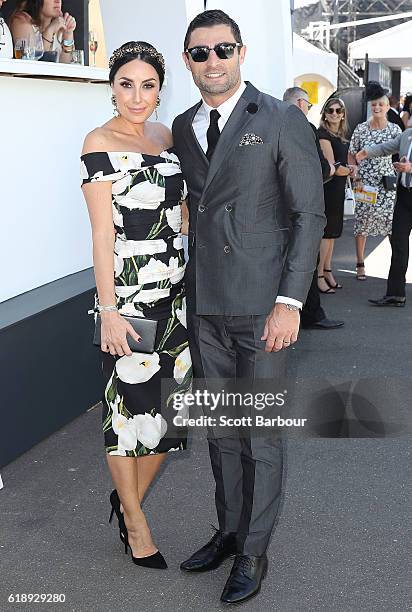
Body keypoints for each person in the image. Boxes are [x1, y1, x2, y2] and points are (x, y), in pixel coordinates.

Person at [172, 10, 325, 605]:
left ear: (241, 52)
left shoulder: (282, 118)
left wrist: (290, 301)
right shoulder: (184, 126)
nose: (213, 61)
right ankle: (230, 531)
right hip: (206, 301)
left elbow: (308, 215)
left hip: (264, 305)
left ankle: (254, 551)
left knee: (261, 433)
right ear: (188, 61)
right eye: (200, 52)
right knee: (222, 429)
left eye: (223, 49)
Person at [80, 42, 192, 570]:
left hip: (175, 294)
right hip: (129, 299)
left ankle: (125, 499)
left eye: (148, 86)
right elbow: (103, 235)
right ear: (112, 85)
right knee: (129, 416)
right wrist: (108, 310)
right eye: (127, 84)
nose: (137, 96)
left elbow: (181, 215)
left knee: (172, 417)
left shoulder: (165, 137)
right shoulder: (98, 142)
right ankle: (135, 521)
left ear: (159, 89)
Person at [283, 87, 344, 330]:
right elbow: (318, 168)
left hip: (276, 207)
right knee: (306, 259)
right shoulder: (304, 128)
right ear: (300, 103)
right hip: (301, 206)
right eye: (308, 105)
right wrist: (331, 168)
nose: (308, 109)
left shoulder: (271, 123)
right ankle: (311, 314)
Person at [356, 128, 412, 306]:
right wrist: (367, 152)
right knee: (399, 244)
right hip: (405, 197)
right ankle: (396, 294)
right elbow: (386, 147)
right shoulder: (407, 134)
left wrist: (410, 168)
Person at [348, 92, 401, 280]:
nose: (377, 108)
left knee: (390, 222)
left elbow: (401, 152)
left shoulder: (395, 129)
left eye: (381, 104)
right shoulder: (361, 129)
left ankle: (396, 264)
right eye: (374, 105)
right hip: (364, 181)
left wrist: (401, 165)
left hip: (387, 181)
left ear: (387, 107)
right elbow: (351, 152)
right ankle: (360, 263)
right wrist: (353, 171)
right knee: (363, 221)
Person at [317, 98, 354, 292]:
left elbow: (343, 165)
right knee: (326, 234)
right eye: (330, 110)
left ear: (343, 114)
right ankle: (319, 275)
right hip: (328, 189)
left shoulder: (340, 136)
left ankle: (328, 270)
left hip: (338, 189)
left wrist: (349, 168)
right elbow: (333, 167)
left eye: (338, 110)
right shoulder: (323, 135)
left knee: (332, 234)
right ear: (324, 113)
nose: (334, 113)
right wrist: (350, 170)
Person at [9, 0, 76, 63]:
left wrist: (68, 35)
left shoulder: (59, 24)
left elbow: (66, 66)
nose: (58, 1)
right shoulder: (21, 20)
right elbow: (31, 64)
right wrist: (49, 31)